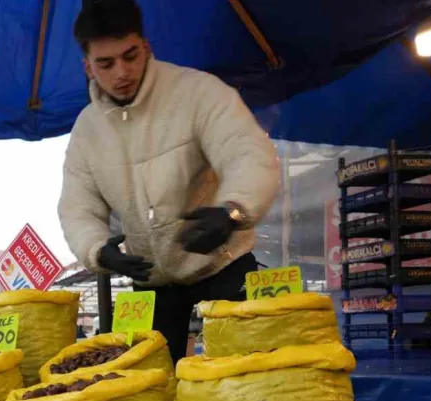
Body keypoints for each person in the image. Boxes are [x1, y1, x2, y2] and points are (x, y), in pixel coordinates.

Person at [58, 0, 280, 363]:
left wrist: (233, 212)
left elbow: (248, 152)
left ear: (146, 46)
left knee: (249, 376)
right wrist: (98, 250)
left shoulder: (199, 92)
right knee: (147, 388)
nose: (122, 72)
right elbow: (76, 206)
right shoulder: (86, 131)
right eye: (106, 63)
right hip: (151, 280)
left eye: (130, 55)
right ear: (88, 67)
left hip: (223, 265)